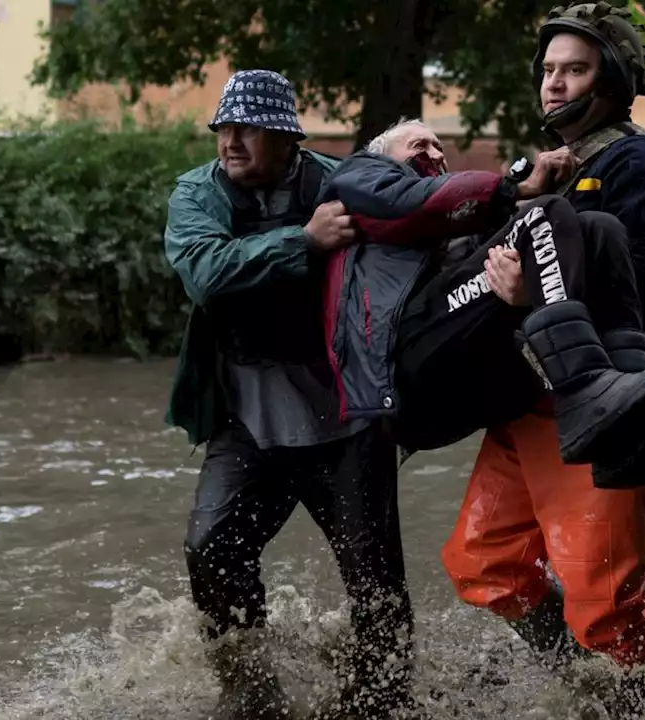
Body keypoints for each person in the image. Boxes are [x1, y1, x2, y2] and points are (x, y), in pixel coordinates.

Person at [440, 3, 645, 717]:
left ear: (614, 79)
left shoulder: (643, 164)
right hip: (528, 394)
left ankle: (643, 700)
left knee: (605, 604)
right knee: (482, 563)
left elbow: (642, 293)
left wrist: (536, 296)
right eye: (550, 70)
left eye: (576, 69)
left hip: (615, 394)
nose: (555, 83)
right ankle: (582, 684)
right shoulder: (542, 172)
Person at [162, 69, 413, 720]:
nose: (231, 141)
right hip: (247, 414)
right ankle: (249, 686)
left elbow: (420, 224)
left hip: (346, 414)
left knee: (376, 581)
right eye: (224, 128)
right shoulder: (197, 194)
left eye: (248, 129)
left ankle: (383, 698)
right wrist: (302, 243)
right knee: (210, 549)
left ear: (287, 141)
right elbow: (206, 274)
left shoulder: (339, 184)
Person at [316, 119, 645, 490]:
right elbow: (406, 200)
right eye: (420, 145)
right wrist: (515, 189)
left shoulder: (459, 225)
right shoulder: (360, 176)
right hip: (403, 373)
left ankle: (633, 430)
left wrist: (523, 288)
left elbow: (487, 263)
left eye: (440, 147)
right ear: (381, 156)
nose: (436, 154)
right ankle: (582, 393)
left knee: (598, 226)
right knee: (547, 213)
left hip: (463, 370)